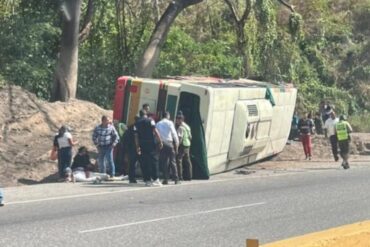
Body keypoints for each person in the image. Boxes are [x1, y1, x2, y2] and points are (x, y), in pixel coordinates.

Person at [134, 110, 163, 186]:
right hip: (151, 143)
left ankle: (147, 180)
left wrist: (137, 146)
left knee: (145, 162)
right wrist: (160, 141)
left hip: (142, 144)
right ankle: (156, 179)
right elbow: (155, 131)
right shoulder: (151, 120)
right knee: (154, 161)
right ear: (146, 114)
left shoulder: (136, 123)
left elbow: (136, 136)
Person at [156, 112, 180, 185]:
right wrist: (177, 143)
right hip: (169, 143)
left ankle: (165, 179)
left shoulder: (158, 123)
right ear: (168, 116)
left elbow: (156, 134)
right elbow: (174, 133)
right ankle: (176, 179)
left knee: (164, 162)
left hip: (162, 144)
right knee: (173, 161)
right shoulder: (170, 123)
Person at [176, 111, 193, 180]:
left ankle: (180, 176)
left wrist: (177, 146)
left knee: (179, 160)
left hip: (182, 145)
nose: (176, 121)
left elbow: (180, 138)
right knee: (187, 161)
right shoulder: (187, 126)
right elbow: (190, 137)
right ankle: (189, 176)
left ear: (181, 120)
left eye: (177, 119)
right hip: (187, 145)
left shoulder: (180, 128)